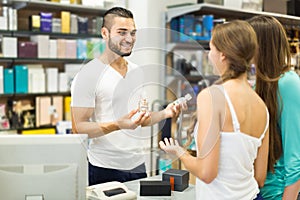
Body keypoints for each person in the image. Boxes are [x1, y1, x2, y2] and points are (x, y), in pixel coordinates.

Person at [159, 20, 269, 199]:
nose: (209, 55)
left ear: (223, 55)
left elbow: (207, 173)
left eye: (211, 49)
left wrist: (180, 152)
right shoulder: (262, 106)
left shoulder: (212, 96)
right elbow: (260, 177)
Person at [71, 7, 181, 185]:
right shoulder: (88, 75)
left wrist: (165, 113)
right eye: (122, 33)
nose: (129, 39)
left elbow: (139, 119)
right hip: (104, 169)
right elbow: (78, 128)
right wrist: (117, 125)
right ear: (104, 33)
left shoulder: (136, 71)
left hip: (138, 167)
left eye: (133, 33)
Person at [248, 15, 300, 200]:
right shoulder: (259, 84)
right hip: (259, 190)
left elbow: (296, 152)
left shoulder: (288, 83)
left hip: (280, 193)